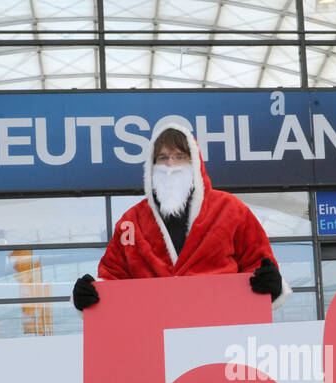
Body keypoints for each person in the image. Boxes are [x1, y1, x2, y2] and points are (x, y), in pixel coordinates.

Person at [72, 121, 290, 309]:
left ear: (194, 162)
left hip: (223, 332)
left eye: (179, 156)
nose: (170, 165)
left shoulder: (231, 209)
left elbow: (259, 262)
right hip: (152, 336)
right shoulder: (131, 222)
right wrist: (88, 295)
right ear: (151, 166)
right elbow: (112, 276)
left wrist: (272, 284)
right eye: (163, 157)